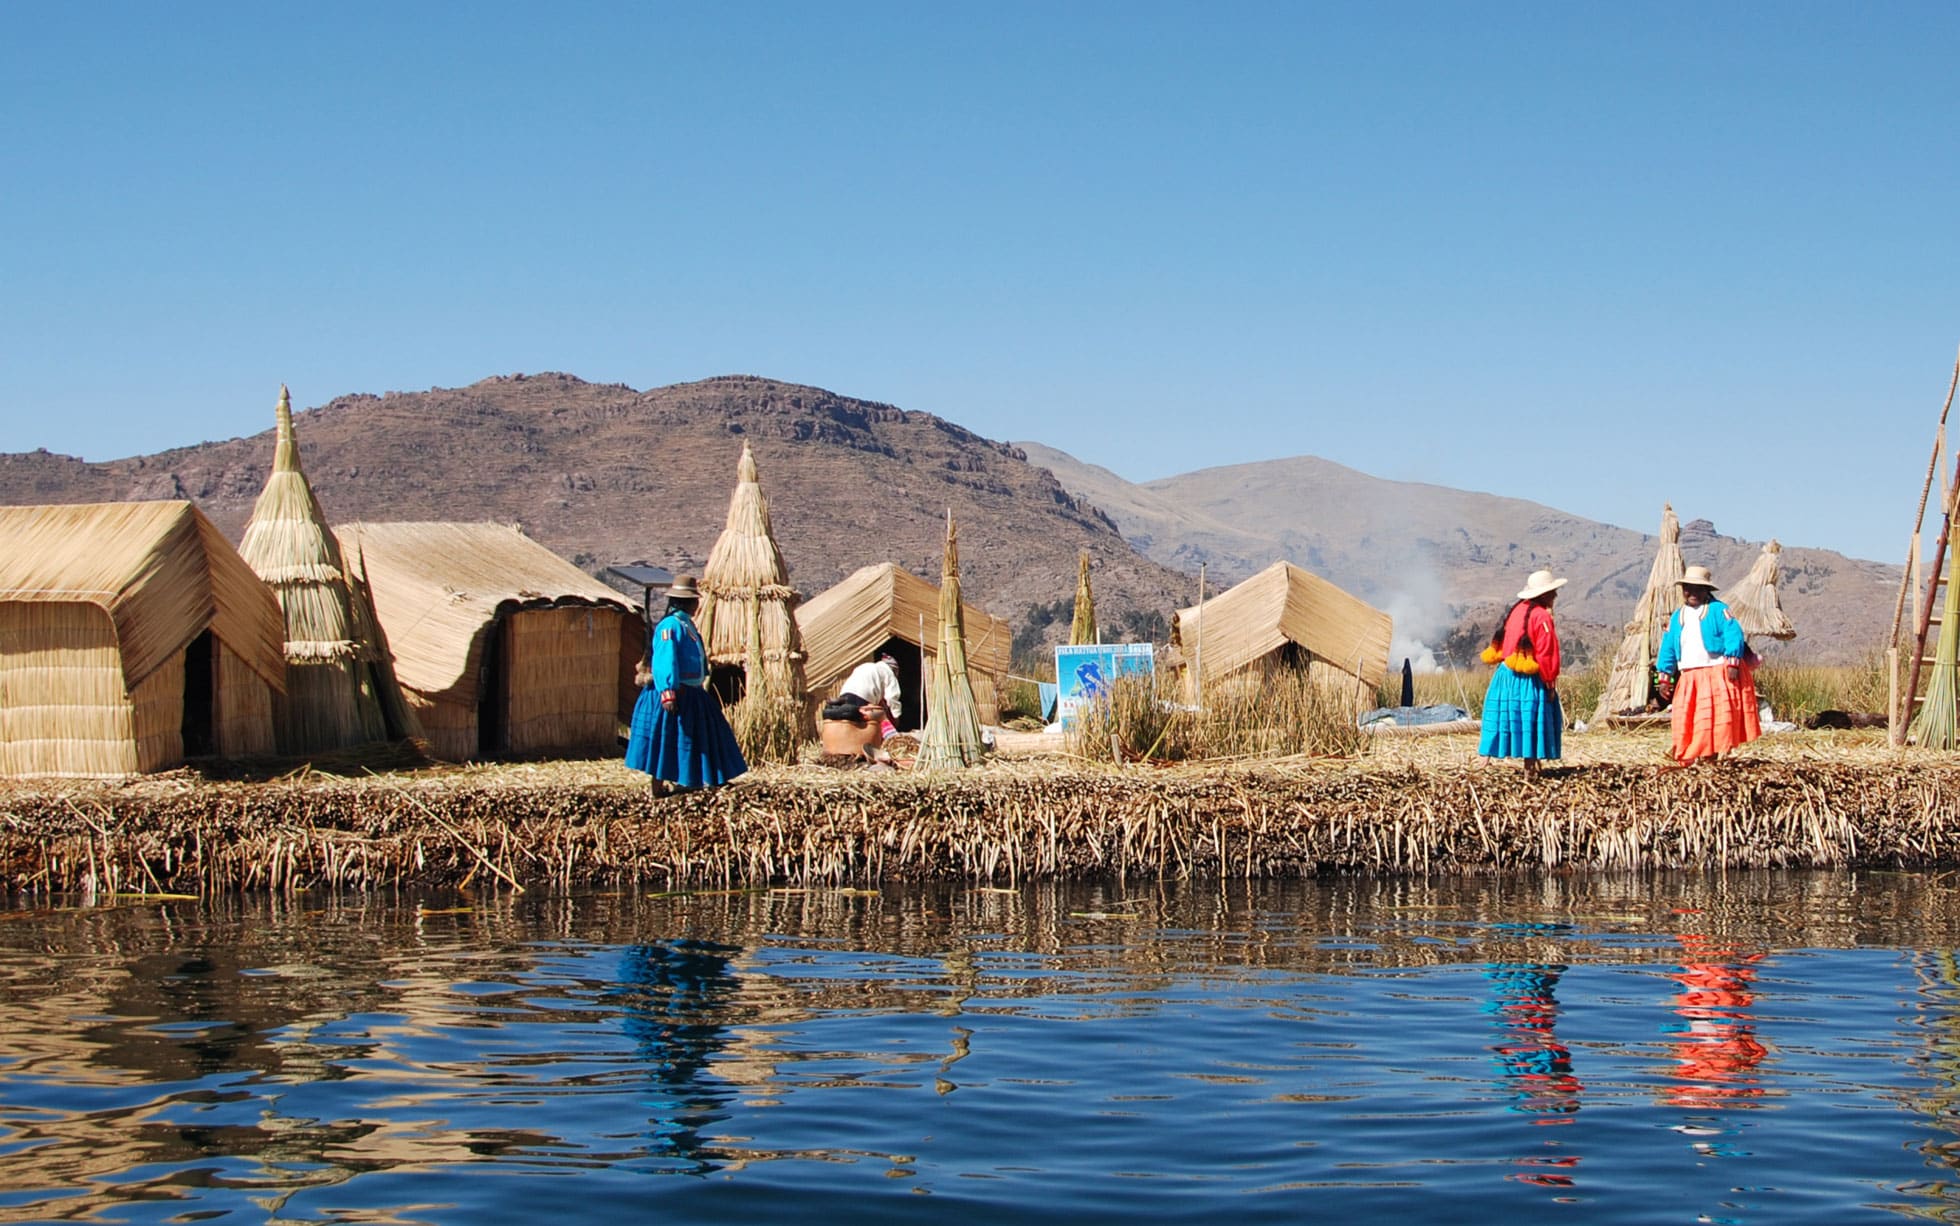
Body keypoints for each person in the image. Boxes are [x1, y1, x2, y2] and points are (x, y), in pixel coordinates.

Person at [626, 576, 747, 796]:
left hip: (692, 692)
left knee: (707, 734)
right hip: (675, 692)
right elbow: (665, 659)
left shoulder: (686, 625)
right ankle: (658, 788)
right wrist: (668, 691)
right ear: (687, 603)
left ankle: (704, 779)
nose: (697, 605)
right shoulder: (670, 626)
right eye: (694, 601)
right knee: (666, 740)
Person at [1655, 565, 1760, 765]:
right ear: (1683, 589)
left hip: (1716, 672)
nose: (1692, 593)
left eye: (1698, 589)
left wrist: (1733, 662)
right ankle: (1689, 752)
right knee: (1690, 716)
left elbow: (1733, 634)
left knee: (1715, 716)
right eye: (1688, 588)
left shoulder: (1718, 610)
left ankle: (1711, 754)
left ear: (1707, 591)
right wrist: (1664, 676)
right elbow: (1667, 647)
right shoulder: (1678, 616)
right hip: (1689, 676)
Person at [1479, 568, 1567, 775]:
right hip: (1529, 680)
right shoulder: (1541, 617)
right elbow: (1546, 652)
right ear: (1544, 594)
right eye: (1552, 591)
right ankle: (1531, 766)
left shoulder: (1517, 610)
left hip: (1505, 676)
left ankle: (1484, 762)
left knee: (1501, 718)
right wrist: (1550, 683)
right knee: (1531, 719)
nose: (1555, 595)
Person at [824, 651, 904, 731]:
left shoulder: (867, 666)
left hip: (846, 692)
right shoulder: (889, 673)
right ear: (894, 670)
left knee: (846, 723)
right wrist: (896, 716)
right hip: (863, 696)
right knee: (861, 728)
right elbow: (892, 697)